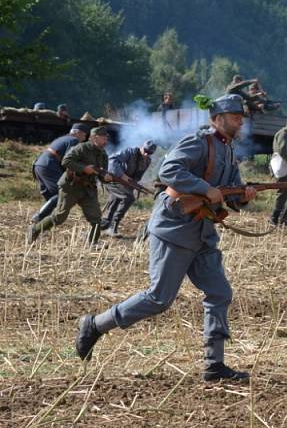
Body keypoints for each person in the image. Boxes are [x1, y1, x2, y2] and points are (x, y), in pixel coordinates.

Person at [74, 94, 258, 381]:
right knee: (159, 299)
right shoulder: (199, 142)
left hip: (203, 232)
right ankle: (96, 325)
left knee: (220, 293)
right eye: (235, 115)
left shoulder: (230, 152)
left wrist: (244, 196)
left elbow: (229, 195)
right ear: (217, 118)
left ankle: (214, 365)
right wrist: (203, 187)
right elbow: (168, 170)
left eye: (241, 116)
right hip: (175, 228)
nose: (240, 120)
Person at [27, 126, 113, 245]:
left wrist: (107, 178)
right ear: (94, 138)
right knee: (59, 217)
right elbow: (66, 161)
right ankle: (35, 229)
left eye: (106, 138)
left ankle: (93, 242)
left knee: (96, 218)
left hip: (88, 189)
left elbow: (102, 175)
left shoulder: (103, 155)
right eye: (103, 138)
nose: (106, 141)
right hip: (71, 186)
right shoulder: (81, 148)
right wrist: (84, 169)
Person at [31, 123, 90, 223]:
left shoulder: (62, 138)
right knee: (62, 193)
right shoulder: (74, 141)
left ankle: (42, 223)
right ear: (78, 133)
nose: (84, 138)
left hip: (39, 165)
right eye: (84, 135)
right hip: (49, 165)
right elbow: (69, 160)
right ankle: (39, 217)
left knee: (51, 195)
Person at [100, 140, 158, 236]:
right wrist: (122, 175)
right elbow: (112, 159)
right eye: (145, 151)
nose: (146, 154)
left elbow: (138, 176)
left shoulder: (147, 161)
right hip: (114, 180)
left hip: (126, 184)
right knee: (128, 198)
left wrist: (132, 183)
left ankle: (107, 227)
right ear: (141, 146)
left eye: (149, 153)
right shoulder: (129, 151)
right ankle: (108, 225)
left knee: (115, 202)